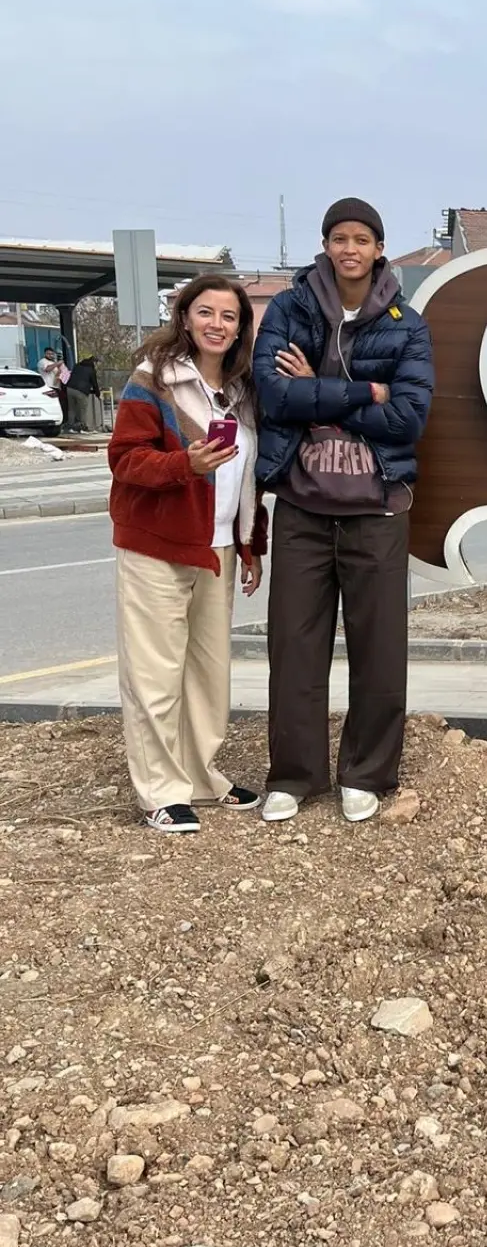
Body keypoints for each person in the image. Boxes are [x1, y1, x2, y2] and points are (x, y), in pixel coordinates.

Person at [253, 197, 434, 825]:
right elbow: (275, 394)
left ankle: (367, 773)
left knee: (379, 648)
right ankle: (295, 775)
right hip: (302, 504)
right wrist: (364, 390)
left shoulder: (405, 322)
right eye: (338, 238)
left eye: (361, 238)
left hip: (377, 506)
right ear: (326, 245)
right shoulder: (289, 306)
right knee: (294, 645)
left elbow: (408, 417)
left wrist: (320, 388)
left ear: (379, 248)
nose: (349, 248)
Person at [108, 276, 267, 834]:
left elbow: (249, 478)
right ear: (184, 317)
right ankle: (160, 790)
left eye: (229, 316)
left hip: (219, 547)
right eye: (207, 312)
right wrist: (186, 466)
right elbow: (125, 459)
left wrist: (250, 544)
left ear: (241, 327)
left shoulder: (243, 390)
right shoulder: (154, 381)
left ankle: (201, 777)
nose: (217, 324)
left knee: (207, 673)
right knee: (155, 671)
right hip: (157, 547)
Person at [66, 355, 101, 433]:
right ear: (95, 362)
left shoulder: (77, 365)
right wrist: (98, 394)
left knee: (71, 409)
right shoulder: (91, 369)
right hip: (81, 391)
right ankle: (82, 428)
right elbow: (94, 383)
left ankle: (70, 428)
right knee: (82, 410)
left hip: (69, 388)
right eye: (98, 363)